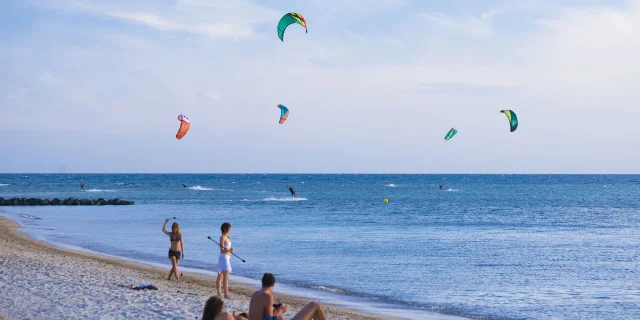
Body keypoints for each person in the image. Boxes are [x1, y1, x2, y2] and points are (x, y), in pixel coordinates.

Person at [248, 273, 327, 320]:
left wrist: (276, 310)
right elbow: (271, 319)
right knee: (315, 305)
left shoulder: (255, 295)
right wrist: (281, 310)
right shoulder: (267, 297)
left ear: (263, 283)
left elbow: (265, 317)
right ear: (273, 285)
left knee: (313, 308)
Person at [217, 222, 233, 298]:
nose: (230, 230)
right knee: (225, 276)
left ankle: (219, 292)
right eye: (229, 228)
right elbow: (221, 250)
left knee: (221, 276)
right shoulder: (222, 237)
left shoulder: (228, 237)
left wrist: (230, 249)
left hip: (227, 258)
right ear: (225, 229)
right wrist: (228, 250)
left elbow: (228, 248)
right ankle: (225, 294)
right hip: (224, 258)